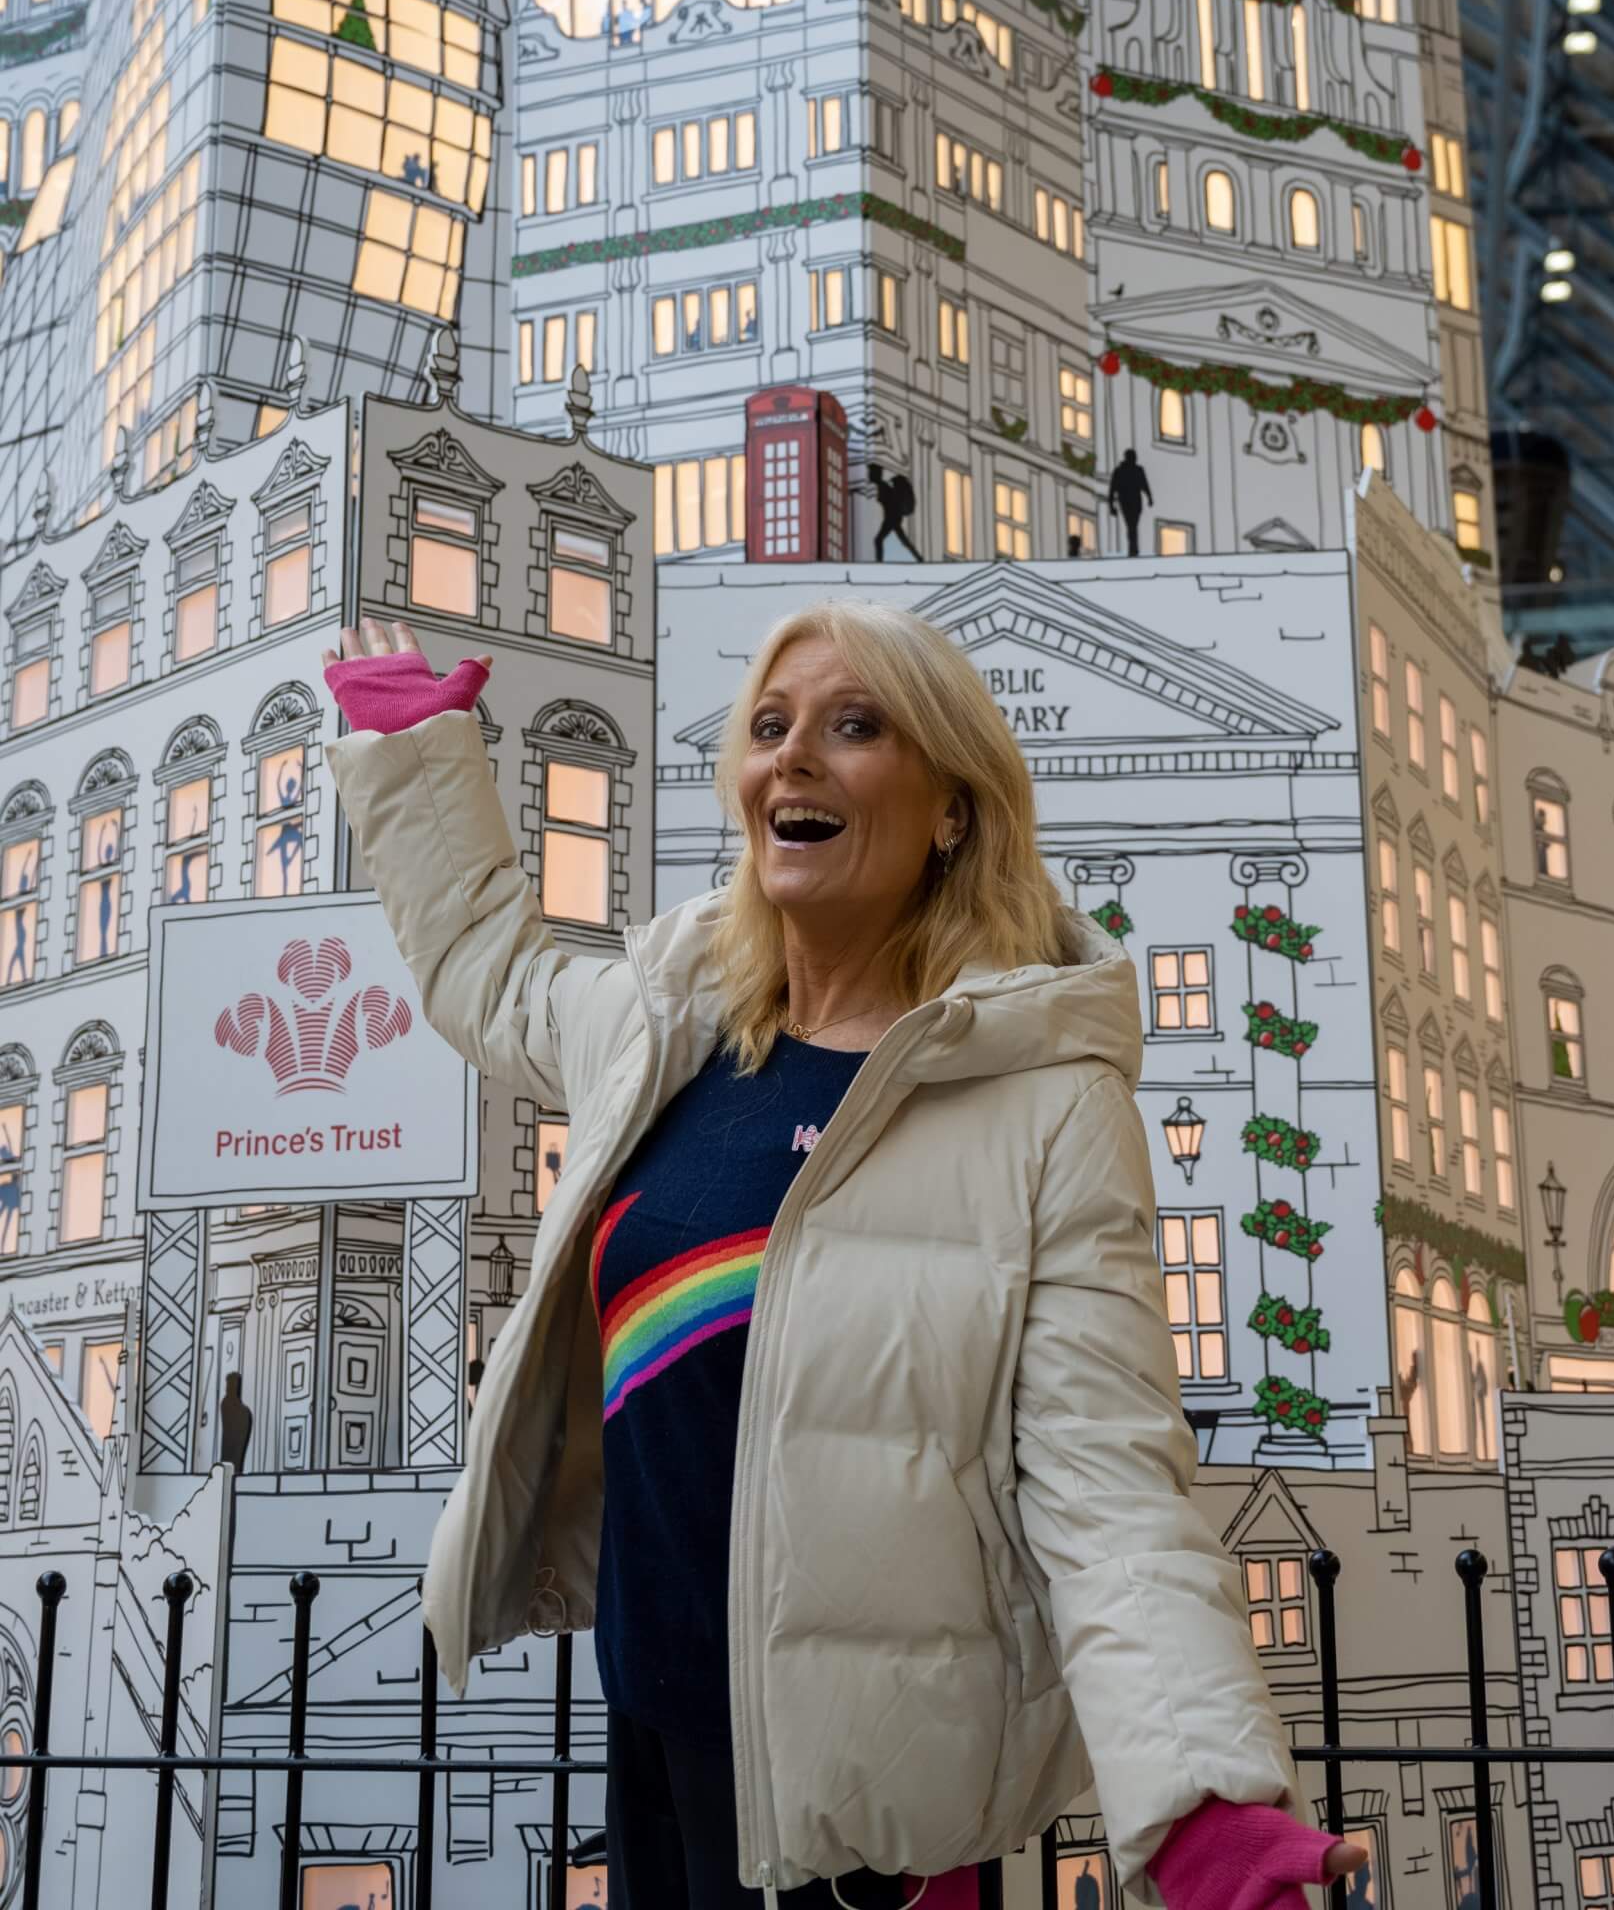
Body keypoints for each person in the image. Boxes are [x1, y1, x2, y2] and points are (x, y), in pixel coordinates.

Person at [322, 611, 1366, 1910]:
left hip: (861, 1825)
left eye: (853, 726)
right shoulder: (671, 1020)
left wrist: (1205, 1801)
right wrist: (411, 752)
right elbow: (494, 975)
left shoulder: (1035, 1098)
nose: (792, 758)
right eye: (769, 729)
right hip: (655, 1730)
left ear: (948, 808)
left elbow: (1106, 1483)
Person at [866, 463, 921, 562]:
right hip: (893, 517)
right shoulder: (883, 486)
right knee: (903, 541)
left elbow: (886, 502)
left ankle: (879, 563)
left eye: (870, 473)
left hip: (891, 518)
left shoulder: (882, 486)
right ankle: (918, 557)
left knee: (879, 540)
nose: (869, 475)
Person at [1108, 450, 1152, 558]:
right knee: (1132, 526)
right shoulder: (1121, 471)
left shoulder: (1135, 470)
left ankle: (1133, 548)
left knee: (1132, 525)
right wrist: (1111, 506)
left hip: (1133, 502)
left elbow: (1144, 485)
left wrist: (1149, 497)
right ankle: (1133, 549)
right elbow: (1112, 489)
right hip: (1127, 502)